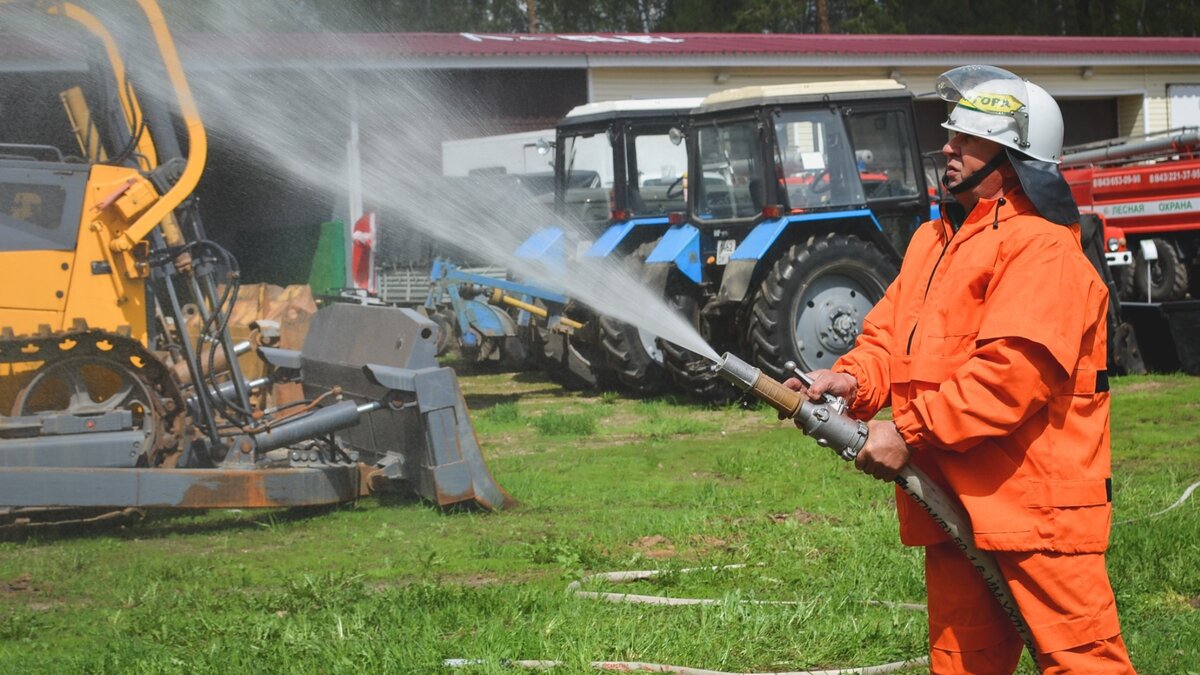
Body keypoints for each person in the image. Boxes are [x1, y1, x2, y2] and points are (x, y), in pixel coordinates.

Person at [786, 66, 1136, 673]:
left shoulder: (1042, 248)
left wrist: (908, 432)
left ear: (1014, 156)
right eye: (953, 135)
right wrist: (850, 381)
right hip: (950, 501)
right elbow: (887, 340)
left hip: (1035, 514)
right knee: (960, 666)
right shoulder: (934, 241)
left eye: (968, 139)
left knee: (1083, 665)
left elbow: (1009, 378)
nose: (948, 148)